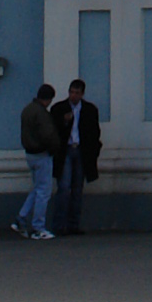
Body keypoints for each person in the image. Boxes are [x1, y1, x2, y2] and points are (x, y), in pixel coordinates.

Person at [52, 74, 103, 234]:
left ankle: (73, 224)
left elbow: (94, 132)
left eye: (76, 93)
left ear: (82, 94)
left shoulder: (90, 110)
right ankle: (59, 224)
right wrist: (64, 122)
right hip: (65, 150)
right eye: (71, 92)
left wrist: (93, 150)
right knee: (64, 187)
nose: (73, 96)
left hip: (81, 150)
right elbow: (53, 131)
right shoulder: (59, 108)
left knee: (77, 188)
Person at [14, 79, 60, 243]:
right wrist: (55, 147)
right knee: (43, 192)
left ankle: (21, 218)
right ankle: (38, 228)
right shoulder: (42, 114)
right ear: (48, 99)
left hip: (30, 154)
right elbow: (48, 135)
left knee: (37, 189)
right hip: (42, 155)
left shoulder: (27, 110)